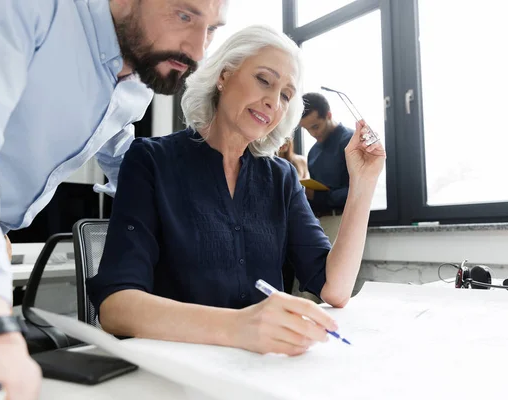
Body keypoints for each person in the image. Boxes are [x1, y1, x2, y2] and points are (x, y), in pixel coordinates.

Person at [86, 25, 386, 357]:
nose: (273, 101)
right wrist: (239, 327)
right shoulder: (150, 161)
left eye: (286, 95)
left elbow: (335, 289)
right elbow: (115, 307)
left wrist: (363, 182)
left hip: (259, 371)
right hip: (180, 369)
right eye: (264, 80)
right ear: (224, 76)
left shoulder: (282, 178)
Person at [0, 0, 228, 398]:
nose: (199, 51)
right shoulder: (37, 11)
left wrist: (183, 223)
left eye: (213, 29)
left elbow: (119, 155)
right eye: (184, 15)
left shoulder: (136, 88)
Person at [299, 92, 354, 244]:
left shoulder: (350, 142)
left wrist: (317, 196)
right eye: (307, 129)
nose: (313, 133)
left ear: (328, 115)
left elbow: (357, 191)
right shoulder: (313, 153)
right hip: (318, 222)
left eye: (316, 126)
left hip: (344, 221)